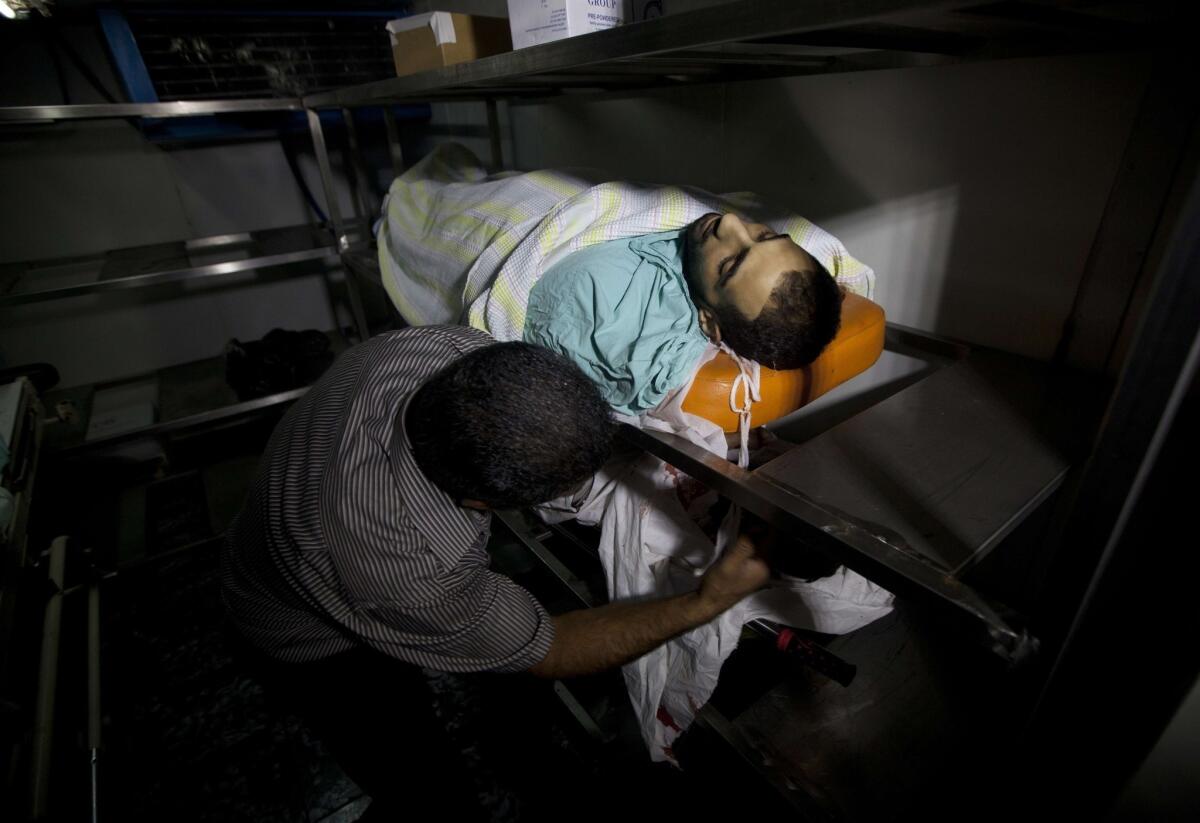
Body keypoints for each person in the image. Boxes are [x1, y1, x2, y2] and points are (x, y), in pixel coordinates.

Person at [220, 325, 771, 819]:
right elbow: (547, 649)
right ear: (478, 503)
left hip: (289, 511)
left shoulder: (441, 350)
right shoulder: (408, 565)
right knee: (424, 786)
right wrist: (703, 602)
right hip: (303, 633)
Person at [376, 143, 872, 415]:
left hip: (499, 232)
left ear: (709, 323)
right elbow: (819, 247)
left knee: (423, 200)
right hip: (551, 199)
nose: (730, 224)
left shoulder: (599, 299)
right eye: (765, 236)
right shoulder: (745, 244)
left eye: (728, 264)